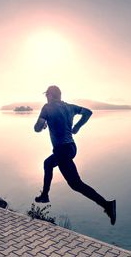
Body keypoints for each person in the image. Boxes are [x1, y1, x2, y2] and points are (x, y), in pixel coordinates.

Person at [34, 85, 116, 225]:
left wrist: (43, 124)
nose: (46, 98)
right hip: (71, 148)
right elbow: (88, 112)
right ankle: (45, 195)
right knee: (49, 165)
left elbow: (36, 128)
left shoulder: (47, 108)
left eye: (46, 95)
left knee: (75, 184)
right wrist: (77, 126)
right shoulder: (70, 107)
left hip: (62, 150)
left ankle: (107, 205)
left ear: (50, 95)